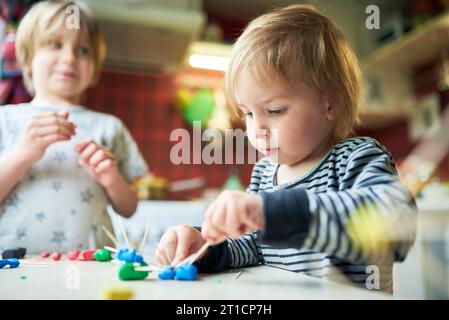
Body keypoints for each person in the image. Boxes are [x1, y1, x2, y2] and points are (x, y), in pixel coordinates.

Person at [155, 4, 416, 292]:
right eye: (248, 114)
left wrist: (273, 213)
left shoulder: (356, 158)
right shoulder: (265, 172)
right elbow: (252, 247)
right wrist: (205, 245)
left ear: (331, 103)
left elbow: (394, 224)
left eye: (275, 110)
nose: (257, 130)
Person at [0, 0, 148, 253]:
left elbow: (129, 207)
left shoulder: (110, 127)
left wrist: (111, 178)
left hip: (92, 267)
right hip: (12, 268)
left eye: (83, 50)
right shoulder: (5, 120)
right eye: (55, 45)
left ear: (94, 69)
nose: (69, 58)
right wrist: (23, 155)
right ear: (26, 58)